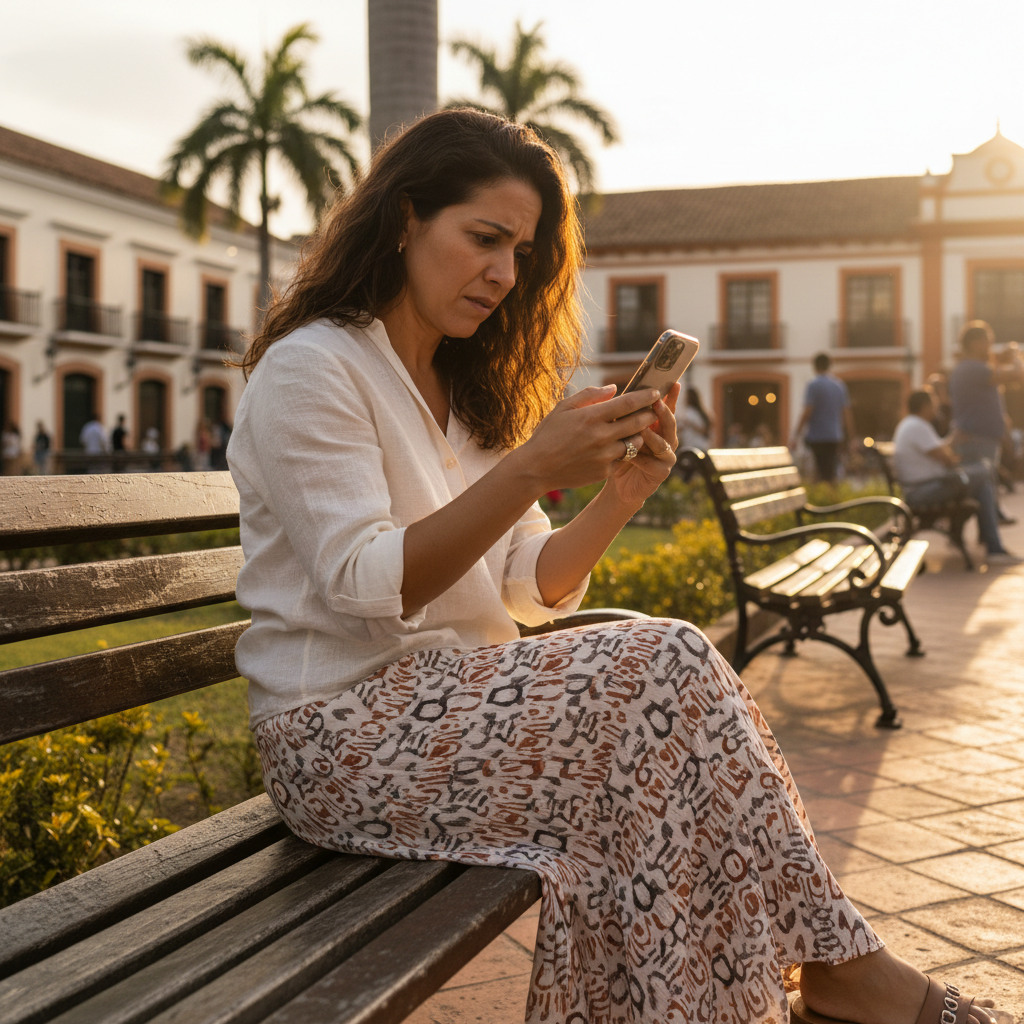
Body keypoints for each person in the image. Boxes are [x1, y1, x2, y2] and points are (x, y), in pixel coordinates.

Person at [226, 109, 996, 1024]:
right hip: (342, 740)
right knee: (660, 666)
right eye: (484, 239)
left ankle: (827, 978)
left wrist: (618, 497)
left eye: (521, 251)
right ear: (402, 219)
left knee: (646, 783)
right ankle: (844, 971)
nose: (505, 275)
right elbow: (367, 586)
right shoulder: (314, 368)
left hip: (461, 719)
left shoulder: (462, 391)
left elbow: (526, 587)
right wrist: (531, 467)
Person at [893, 390, 1019, 565]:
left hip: (925, 487)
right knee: (985, 470)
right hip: (925, 491)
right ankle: (992, 543)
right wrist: (953, 450)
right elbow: (946, 460)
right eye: (934, 403)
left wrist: (952, 442)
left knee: (983, 482)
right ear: (925, 406)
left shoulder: (911, 425)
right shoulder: (917, 426)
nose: (937, 407)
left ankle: (989, 543)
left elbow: (940, 452)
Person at [950, 321, 1023, 525]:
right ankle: (979, 536)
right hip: (978, 440)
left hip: (977, 438)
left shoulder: (971, 368)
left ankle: (982, 534)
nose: (991, 346)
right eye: (988, 341)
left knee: (981, 490)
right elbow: (1018, 375)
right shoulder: (974, 369)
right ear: (975, 343)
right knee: (982, 490)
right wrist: (1015, 354)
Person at [792, 353, 855, 482]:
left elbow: (807, 411)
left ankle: (823, 498)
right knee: (830, 471)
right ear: (829, 366)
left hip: (817, 437)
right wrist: (852, 437)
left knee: (818, 473)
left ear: (814, 366)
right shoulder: (839, 385)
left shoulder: (813, 385)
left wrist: (796, 435)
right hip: (834, 436)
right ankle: (829, 496)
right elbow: (847, 413)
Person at [678, 385, 713, 451]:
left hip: (693, 447)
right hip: (700, 446)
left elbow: (704, 430)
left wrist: (689, 423)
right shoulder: (700, 413)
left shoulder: (690, 412)